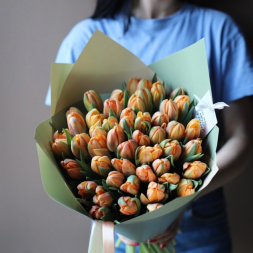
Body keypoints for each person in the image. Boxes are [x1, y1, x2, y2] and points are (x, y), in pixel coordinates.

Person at [45, 0, 253, 252]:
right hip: (115, 226)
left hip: (200, 222)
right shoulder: (85, 36)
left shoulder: (218, 29)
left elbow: (242, 137)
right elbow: (62, 144)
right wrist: (128, 219)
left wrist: (184, 198)